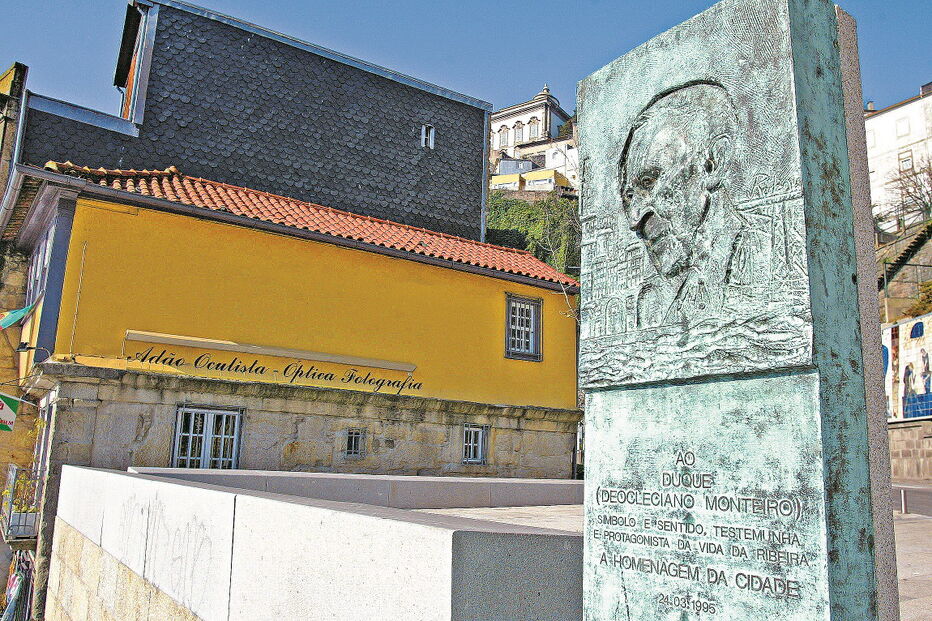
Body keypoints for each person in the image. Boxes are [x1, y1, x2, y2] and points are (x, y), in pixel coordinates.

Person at [618, 82, 747, 325]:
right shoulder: (651, 305)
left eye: (649, 181)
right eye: (630, 197)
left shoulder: (768, 267)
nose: (634, 219)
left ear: (713, 164)